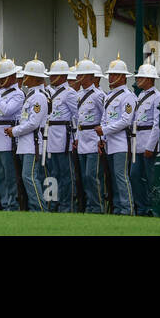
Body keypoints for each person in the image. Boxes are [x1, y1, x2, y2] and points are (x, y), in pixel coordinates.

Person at [12, 60, 49, 212]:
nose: (25, 77)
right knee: (28, 177)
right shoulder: (32, 95)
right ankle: (34, 207)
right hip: (25, 143)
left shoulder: (39, 97)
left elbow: (33, 123)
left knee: (29, 176)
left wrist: (14, 131)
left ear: (34, 78)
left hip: (32, 144)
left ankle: (40, 208)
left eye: (28, 75)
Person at [101, 59, 136, 216]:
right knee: (114, 178)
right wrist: (102, 137)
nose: (110, 77)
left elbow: (125, 121)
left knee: (121, 177)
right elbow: (104, 118)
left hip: (121, 142)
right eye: (110, 74)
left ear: (123, 77)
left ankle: (127, 208)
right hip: (110, 143)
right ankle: (117, 208)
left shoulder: (127, 96)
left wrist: (105, 130)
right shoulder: (109, 96)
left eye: (114, 74)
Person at [0, 58, 23, 211]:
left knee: (10, 175)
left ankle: (12, 204)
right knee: (0, 175)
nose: (0, 81)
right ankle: (4, 203)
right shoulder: (1, 92)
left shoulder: (18, 94)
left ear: (11, 77)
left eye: (3, 78)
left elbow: (7, 110)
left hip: (8, 138)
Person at [72, 59, 105, 214]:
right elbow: (80, 119)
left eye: (82, 74)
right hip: (83, 138)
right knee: (84, 177)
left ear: (90, 77)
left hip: (93, 139)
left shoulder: (98, 95)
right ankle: (89, 205)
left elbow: (104, 118)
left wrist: (101, 139)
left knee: (92, 175)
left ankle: (97, 207)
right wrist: (77, 137)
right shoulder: (78, 95)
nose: (79, 76)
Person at [44, 59, 76, 213]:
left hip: (63, 138)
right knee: (52, 174)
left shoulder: (69, 93)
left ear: (62, 76)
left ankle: (66, 205)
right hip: (50, 137)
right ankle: (52, 203)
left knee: (65, 175)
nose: (51, 78)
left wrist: (75, 138)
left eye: (54, 75)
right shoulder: (51, 92)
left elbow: (77, 116)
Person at [129, 63, 160, 217]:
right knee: (134, 175)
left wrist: (151, 145)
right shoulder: (140, 96)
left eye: (140, 77)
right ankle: (141, 207)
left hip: (148, 140)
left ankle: (154, 208)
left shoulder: (157, 96)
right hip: (138, 141)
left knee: (151, 178)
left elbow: (156, 123)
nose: (137, 79)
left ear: (149, 79)